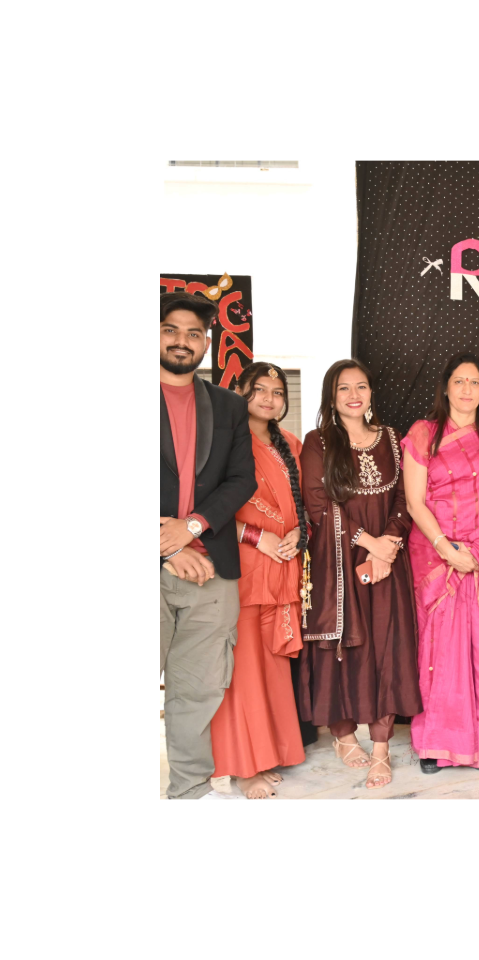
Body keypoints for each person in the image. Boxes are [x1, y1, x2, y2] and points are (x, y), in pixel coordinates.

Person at [298, 360, 422, 790]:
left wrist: (389, 544)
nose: (354, 395)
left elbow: (406, 498)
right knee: (344, 648)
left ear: (371, 392)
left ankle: (382, 746)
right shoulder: (318, 441)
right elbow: (318, 504)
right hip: (338, 563)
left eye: (362, 386)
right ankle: (344, 734)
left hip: (388, 561)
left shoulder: (391, 438)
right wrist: (369, 542)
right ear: (331, 397)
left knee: (388, 646)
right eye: (344, 388)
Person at [402, 354, 479, 774]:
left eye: (474, 382)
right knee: (438, 653)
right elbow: (414, 502)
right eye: (459, 381)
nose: (467, 389)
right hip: (437, 560)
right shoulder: (424, 433)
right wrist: (448, 549)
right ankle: (435, 744)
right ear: (446, 387)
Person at [159, 292, 257, 800]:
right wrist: (168, 546)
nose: (183, 341)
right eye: (171, 330)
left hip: (211, 568)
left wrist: (192, 527)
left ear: (207, 343)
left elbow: (242, 480)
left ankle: (189, 790)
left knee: (197, 691)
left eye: (194, 334)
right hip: (168, 561)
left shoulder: (228, 405)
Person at [208, 363, 309, 799]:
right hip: (243, 568)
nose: (270, 398)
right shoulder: (222, 441)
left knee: (271, 664)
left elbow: (307, 505)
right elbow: (203, 510)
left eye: (278, 391)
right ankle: (243, 767)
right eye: (259, 389)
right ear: (239, 391)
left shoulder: (291, 445)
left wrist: (299, 532)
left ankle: (269, 753)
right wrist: (256, 537)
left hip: (284, 565)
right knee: (243, 669)